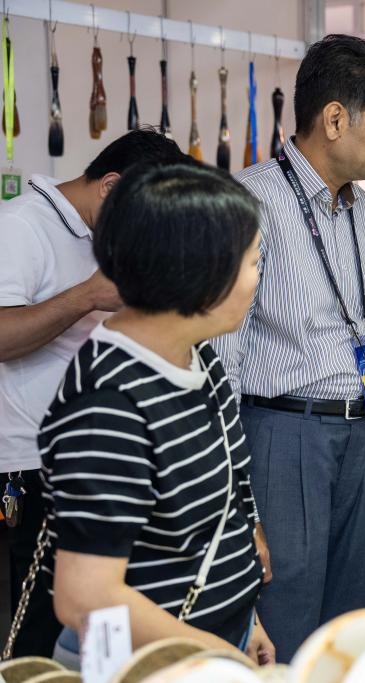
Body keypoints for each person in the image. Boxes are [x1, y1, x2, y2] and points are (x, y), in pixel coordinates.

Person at [211, 34, 365, 662]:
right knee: (286, 620)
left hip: (356, 435)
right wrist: (239, 505)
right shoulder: (251, 200)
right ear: (335, 119)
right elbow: (222, 362)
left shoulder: (361, 208)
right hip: (282, 435)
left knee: (346, 627)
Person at [38, 163, 273, 664]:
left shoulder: (196, 354)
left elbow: (225, 499)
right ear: (200, 273)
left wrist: (245, 620)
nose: (259, 279)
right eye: (254, 262)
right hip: (154, 662)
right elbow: (85, 597)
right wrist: (215, 653)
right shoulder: (109, 406)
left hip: (215, 641)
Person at [0, 128, 189, 657]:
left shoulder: (101, 235)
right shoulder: (22, 225)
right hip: (36, 463)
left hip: (99, 454)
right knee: (39, 627)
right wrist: (86, 296)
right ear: (110, 186)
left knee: (94, 622)